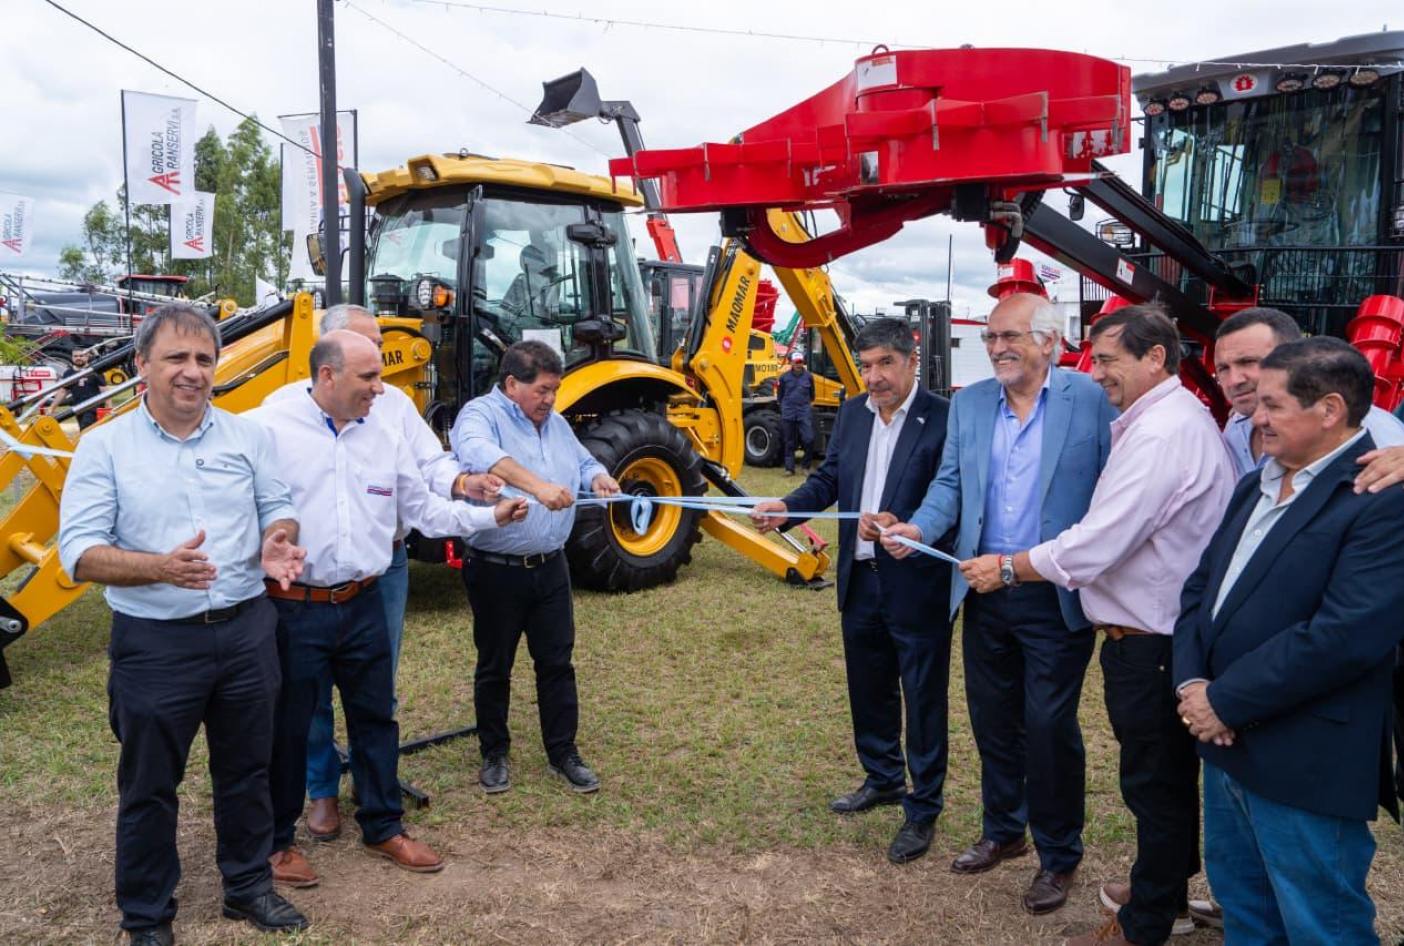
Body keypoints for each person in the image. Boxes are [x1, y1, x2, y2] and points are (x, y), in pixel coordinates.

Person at [957, 305, 1234, 946]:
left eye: (1109, 359)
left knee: (1153, 783)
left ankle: (1145, 923)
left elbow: (1099, 540)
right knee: (1159, 780)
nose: (1098, 371)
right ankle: (1162, 888)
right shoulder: (1161, 420)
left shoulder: (1161, 433)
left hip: (1150, 638)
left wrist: (1010, 566)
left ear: (1156, 357)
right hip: (1144, 632)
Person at [58, 304, 309, 944]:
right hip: (155, 643)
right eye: (176, 357)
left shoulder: (247, 436)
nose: (192, 371)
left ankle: (247, 886)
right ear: (142, 365)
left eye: (203, 358)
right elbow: (79, 554)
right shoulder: (104, 446)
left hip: (246, 631)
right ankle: (146, 914)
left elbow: (277, 505)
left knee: (248, 770)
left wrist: (278, 537)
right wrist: (159, 568)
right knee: (149, 784)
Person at [248, 331, 526, 887]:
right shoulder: (268, 427)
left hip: (364, 601)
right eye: (369, 377)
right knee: (288, 726)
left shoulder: (385, 431)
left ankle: (383, 826)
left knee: (376, 718)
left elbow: (423, 509)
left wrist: (487, 517)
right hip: (294, 607)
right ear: (327, 376)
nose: (381, 388)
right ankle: (277, 843)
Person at [880, 293, 1115, 914]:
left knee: (1048, 726)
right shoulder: (972, 403)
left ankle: (1059, 854)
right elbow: (951, 485)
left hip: (1053, 590)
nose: (996, 348)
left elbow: (1113, 489)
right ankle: (1005, 830)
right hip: (983, 588)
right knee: (992, 719)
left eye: (1010, 336)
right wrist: (918, 528)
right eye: (990, 337)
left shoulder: (1091, 400)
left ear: (1050, 342)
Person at [1175, 337, 1404, 944]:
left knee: (1320, 923)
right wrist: (1193, 681)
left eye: (1273, 404)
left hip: (1305, 755)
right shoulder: (1255, 484)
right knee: (1246, 910)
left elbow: (1345, 635)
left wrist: (1224, 701)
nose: (1257, 416)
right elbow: (1200, 591)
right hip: (1226, 746)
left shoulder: (1382, 500)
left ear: (1329, 410)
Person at [750, 318, 954, 865]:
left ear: (912, 360)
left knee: (923, 696)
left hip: (917, 583)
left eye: (886, 363)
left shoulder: (944, 419)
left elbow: (951, 495)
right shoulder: (852, 413)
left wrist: (905, 524)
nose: (875, 377)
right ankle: (882, 777)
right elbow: (829, 480)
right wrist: (786, 509)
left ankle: (923, 806)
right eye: (866, 366)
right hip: (861, 577)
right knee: (869, 686)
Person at [451, 339, 619, 795]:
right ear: (512, 384)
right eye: (543, 390)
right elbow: (481, 456)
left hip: (551, 567)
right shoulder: (480, 416)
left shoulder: (557, 424)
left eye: (555, 390)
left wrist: (597, 476)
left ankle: (563, 752)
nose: (550, 399)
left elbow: (583, 461)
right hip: (496, 569)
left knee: (557, 662)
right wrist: (539, 487)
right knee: (495, 664)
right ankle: (494, 753)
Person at [1215, 306, 1404, 478]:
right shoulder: (1237, 426)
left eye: (1248, 362)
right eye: (1223, 368)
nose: (1234, 381)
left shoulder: (1372, 431)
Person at [777, 350, 816, 475]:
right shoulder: (784, 378)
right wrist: (784, 408)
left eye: (801, 362)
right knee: (789, 441)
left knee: (809, 438)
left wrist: (806, 406)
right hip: (788, 412)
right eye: (796, 362)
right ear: (791, 363)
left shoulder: (809, 377)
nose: (799, 364)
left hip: (803, 412)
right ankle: (789, 469)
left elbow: (812, 395)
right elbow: (780, 395)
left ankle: (806, 466)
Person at [51, 348, 105, 429]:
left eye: (81, 356)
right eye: (75, 356)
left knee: (86, 428)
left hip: (94, 407)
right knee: (84, 430)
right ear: (72, 357)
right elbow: (63, 391)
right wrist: (52, 407)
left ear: (87, 357)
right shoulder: (69, 373)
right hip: (78, 407)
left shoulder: (94, 370)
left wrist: (108, 408)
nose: (78, 358)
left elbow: (104, 391)